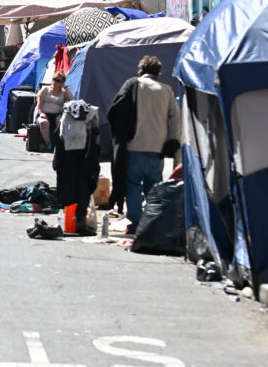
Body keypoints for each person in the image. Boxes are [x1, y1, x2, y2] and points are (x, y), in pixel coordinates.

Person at [107, 55, 180, 234]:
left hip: (134, 146)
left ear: (140, 70)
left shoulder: (133, 85)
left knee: (133, 185)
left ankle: (135, 223)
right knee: (154, 188)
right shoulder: (167, 90)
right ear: (159, 72)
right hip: (157, 148)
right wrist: (172, 141)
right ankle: (153, 224)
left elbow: (115, 111)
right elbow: (175, 119)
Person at [54, 100, 100, 236]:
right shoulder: (91, 120)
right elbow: (96, 146)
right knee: (84, 188)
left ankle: (66, 220)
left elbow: (56, 142)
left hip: (67, 162)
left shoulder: (65, 122)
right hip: (86, 160)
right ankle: (80, 222)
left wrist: (56, 164)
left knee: (67, 187)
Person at [35, 72, 74, 149]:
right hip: (44, 113)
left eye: (58, 81)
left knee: (61, 121)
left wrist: (65, 87)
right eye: (54, 79)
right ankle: (48, 143)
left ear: (62, 83)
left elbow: (72, 99)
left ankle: (59, 143)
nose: (55, 82)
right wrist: (41, 113)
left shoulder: (63, 92)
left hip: (58, 114)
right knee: (44, 123)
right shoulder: (45, 89)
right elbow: (39, 106)